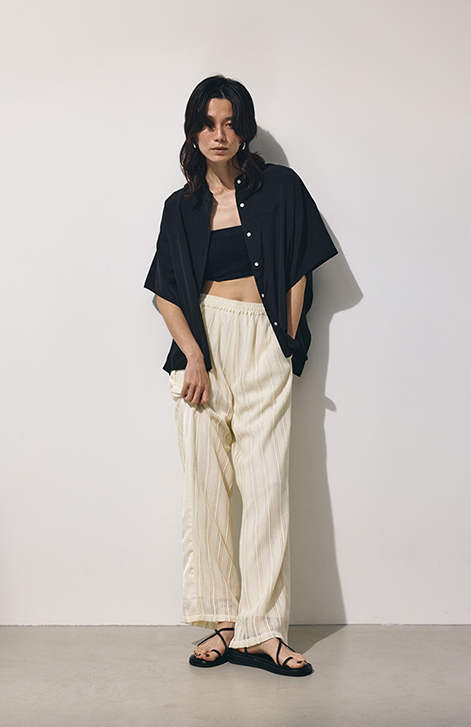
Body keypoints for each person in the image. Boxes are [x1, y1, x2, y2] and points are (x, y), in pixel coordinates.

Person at [144, 75, 337, 677]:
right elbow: (165, 294)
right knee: (205, 491)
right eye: (208, 124)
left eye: (229, 123)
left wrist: (284, 339)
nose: (219, 134)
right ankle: (221, 622)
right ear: (193, 132)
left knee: (267, 488)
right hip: (201, 349)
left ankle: (262, 630)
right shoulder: (180, 207)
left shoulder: (280, 188)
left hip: (263, 342)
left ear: (244, 129)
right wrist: (194, 356)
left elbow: (300, 265)